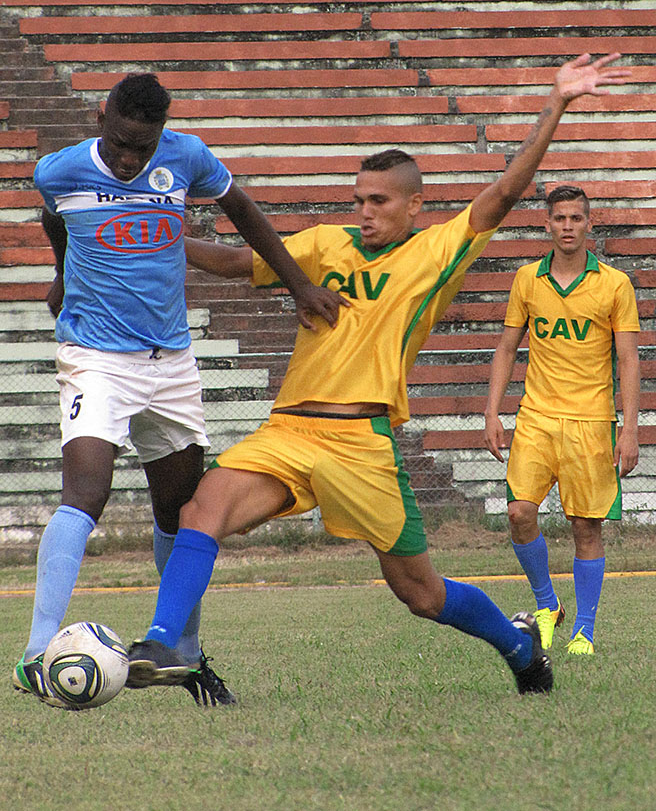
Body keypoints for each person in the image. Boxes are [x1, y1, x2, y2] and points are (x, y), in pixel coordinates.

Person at [124, 53, 631, 699]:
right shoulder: (323, 244)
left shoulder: (432, 253)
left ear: (414, 205)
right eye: (357, 198)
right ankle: (168, 642)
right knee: (202, 507)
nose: (364, 211)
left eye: (379, 200)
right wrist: (148, 234)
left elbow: (504, 193)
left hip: (364, 446)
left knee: (421, 593)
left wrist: (554, 104)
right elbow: (232, 262)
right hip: (289, 432)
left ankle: (518, 642)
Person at [13, 73, 346, 710]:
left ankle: (185, 654)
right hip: (95, 357)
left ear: (161, 133)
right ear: (102, 117)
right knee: (87, 491)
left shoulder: (187, 157)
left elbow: (243, 212)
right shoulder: (58, 171)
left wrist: (298, 283)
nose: (131, 159)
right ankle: (35, 652)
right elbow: (52, 218)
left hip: (171, 362)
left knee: (182, 511)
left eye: (143, 146)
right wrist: (61, 276)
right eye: (120, 144)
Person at [484, 184, 640, 656]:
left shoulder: (615, 284)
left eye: (576, 218)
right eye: (560, 218)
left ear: (589, 224)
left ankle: (585, 632)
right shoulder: (527, 279)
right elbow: (508, 347)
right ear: (547, 225)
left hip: (592, 422)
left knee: (585, 527)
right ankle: (548, 605)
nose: (568, 226)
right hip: (536, 418)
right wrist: (492, 410)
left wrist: (630, 429)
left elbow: (629, 359)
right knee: (518, 513)